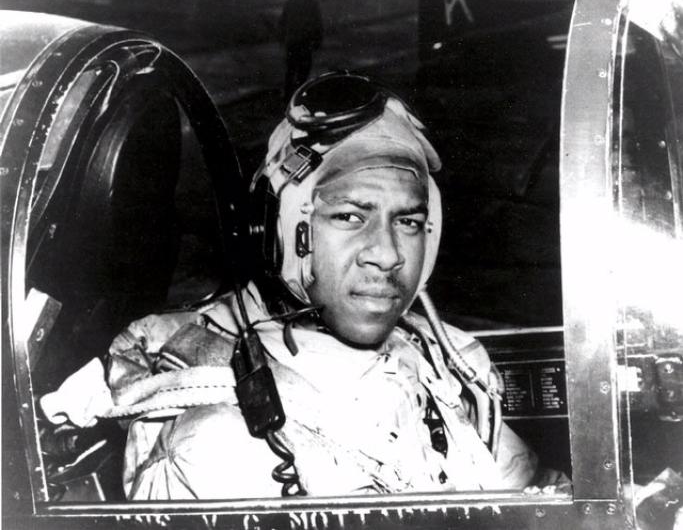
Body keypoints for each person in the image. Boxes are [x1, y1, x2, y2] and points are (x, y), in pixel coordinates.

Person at [40, 72, 562, 500]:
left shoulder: (441, 361)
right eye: (351, 216)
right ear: (283, 233)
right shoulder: (215, 442)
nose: (387, 254)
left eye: (408, 222)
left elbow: (535, 496)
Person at [278, 0, 323, 100]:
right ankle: (298, 95)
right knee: (303, 72)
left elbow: (282, 22)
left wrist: (282, 38)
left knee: (291, 70)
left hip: (293, 41)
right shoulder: (313, 4)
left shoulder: (291, 3)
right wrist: (318, 40)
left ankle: (288, 95)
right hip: (305, 42)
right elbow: (318, 24)